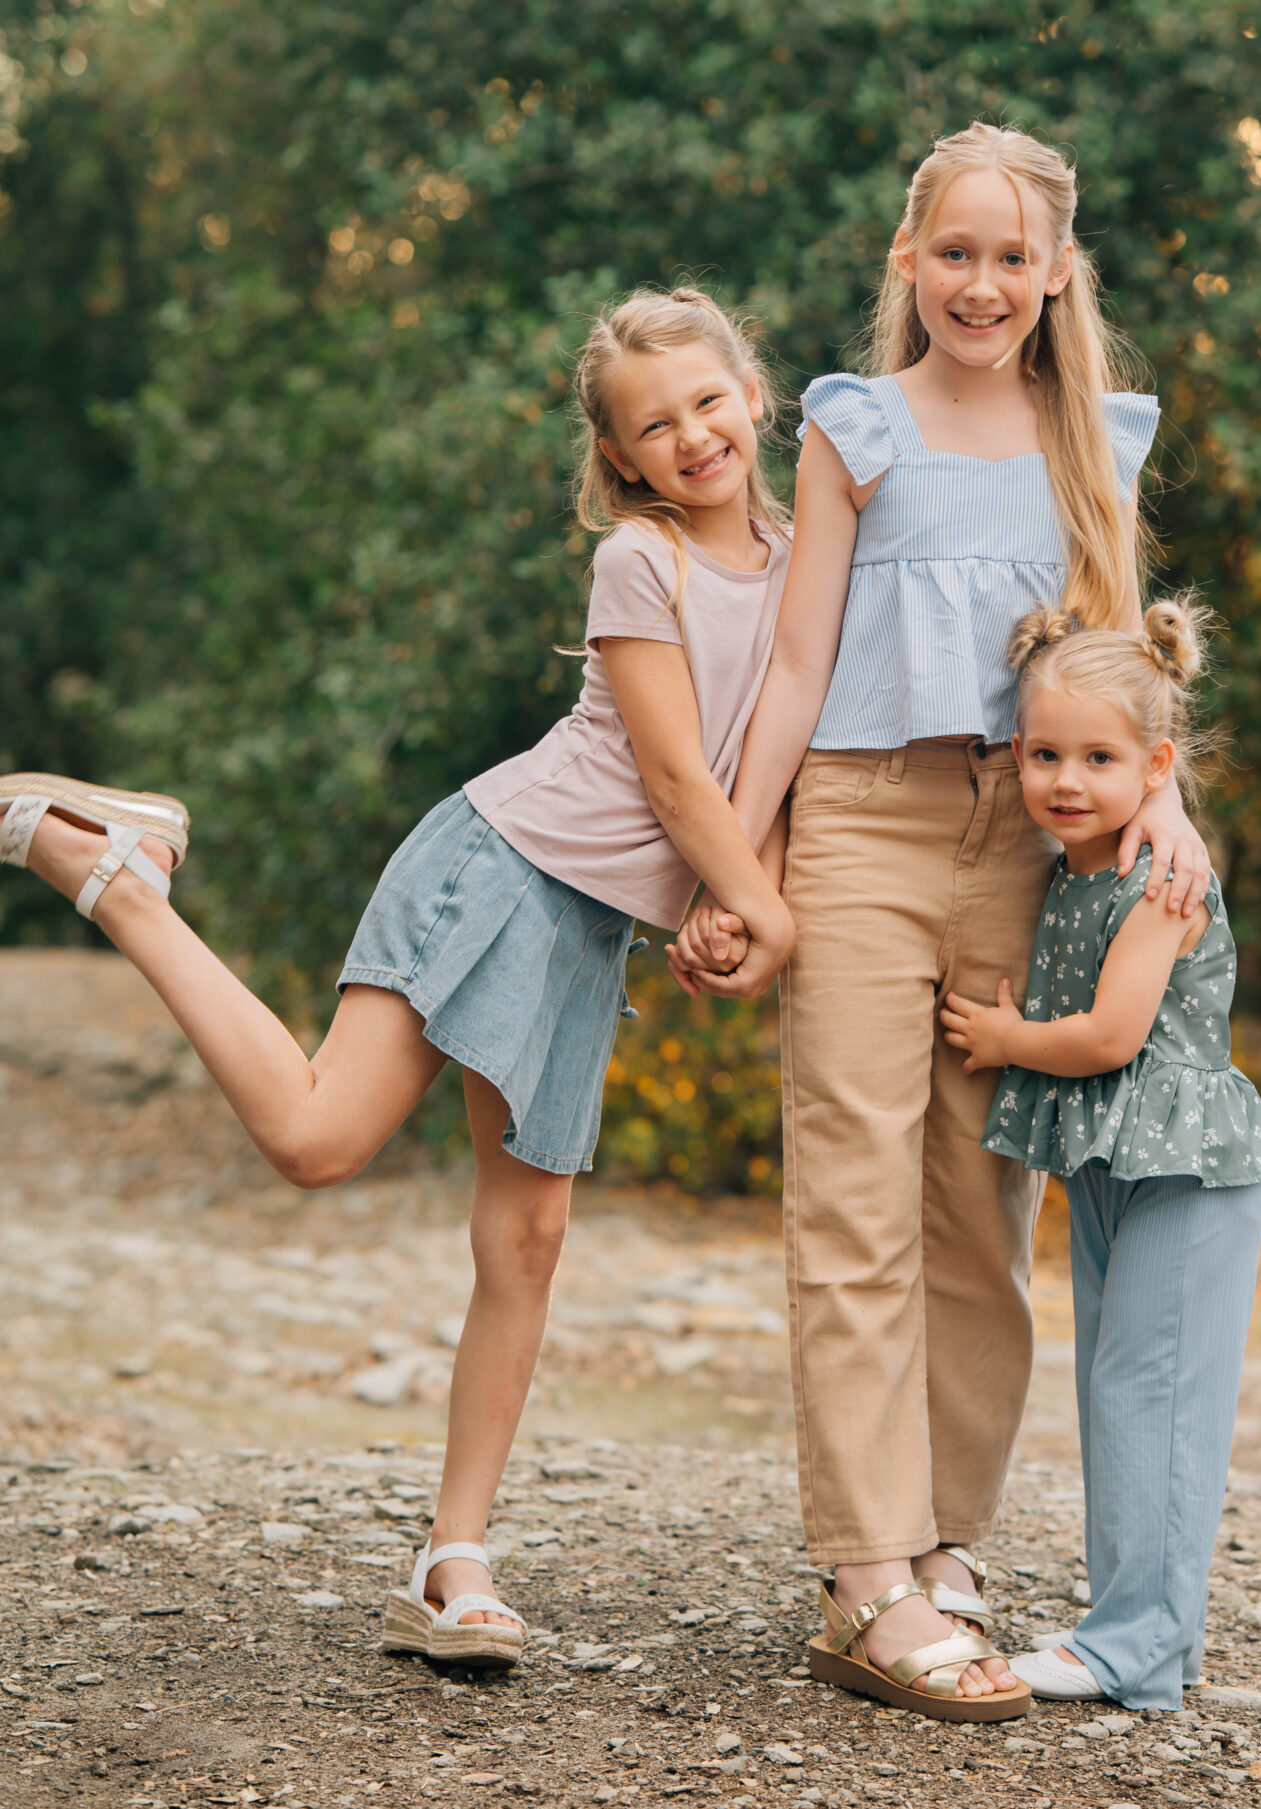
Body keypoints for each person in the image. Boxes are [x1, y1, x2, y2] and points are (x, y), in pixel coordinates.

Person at [0, 287, 792, 1670]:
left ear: (754, 393)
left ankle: (451, 1560)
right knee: (315, 1139)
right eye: (653, 427)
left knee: (527, 1246)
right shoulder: (640, 564)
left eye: (708, 402)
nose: (691, 437)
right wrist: (744, 899)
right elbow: (671, 773)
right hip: (498, 871)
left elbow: (755, 766)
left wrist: (723, 910)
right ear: (619, 461)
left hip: (590, 930)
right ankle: (111, 877)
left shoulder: (799, 564)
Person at [669, 122, 1211, 1720]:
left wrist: (1160, 801)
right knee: (850, 1191)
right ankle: (862, 1578)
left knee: (981, 1212)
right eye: (952, 253)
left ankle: (946, 1549)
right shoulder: (855, 428)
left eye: (1010, 258)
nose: (981, 283)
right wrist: (742, 866)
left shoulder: (1087, 440)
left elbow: (1117, 661)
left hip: (1024, 845)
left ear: (1054, 277)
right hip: (855, 820)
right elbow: (790, 660)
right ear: (907, 264)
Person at [942, 602, 1261, 1707]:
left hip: (1183, 1172)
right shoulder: (1071, 869)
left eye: (1097, 758)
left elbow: (1109, 1036)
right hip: (1111, 1159)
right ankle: (1147, 1634)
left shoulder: (1159, 880)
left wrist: (1002, 1041)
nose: (1066, 779)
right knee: (1114, 1387)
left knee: (1154, 1389)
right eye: (1044, 754)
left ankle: (1132, 1640)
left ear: (1155, 766)